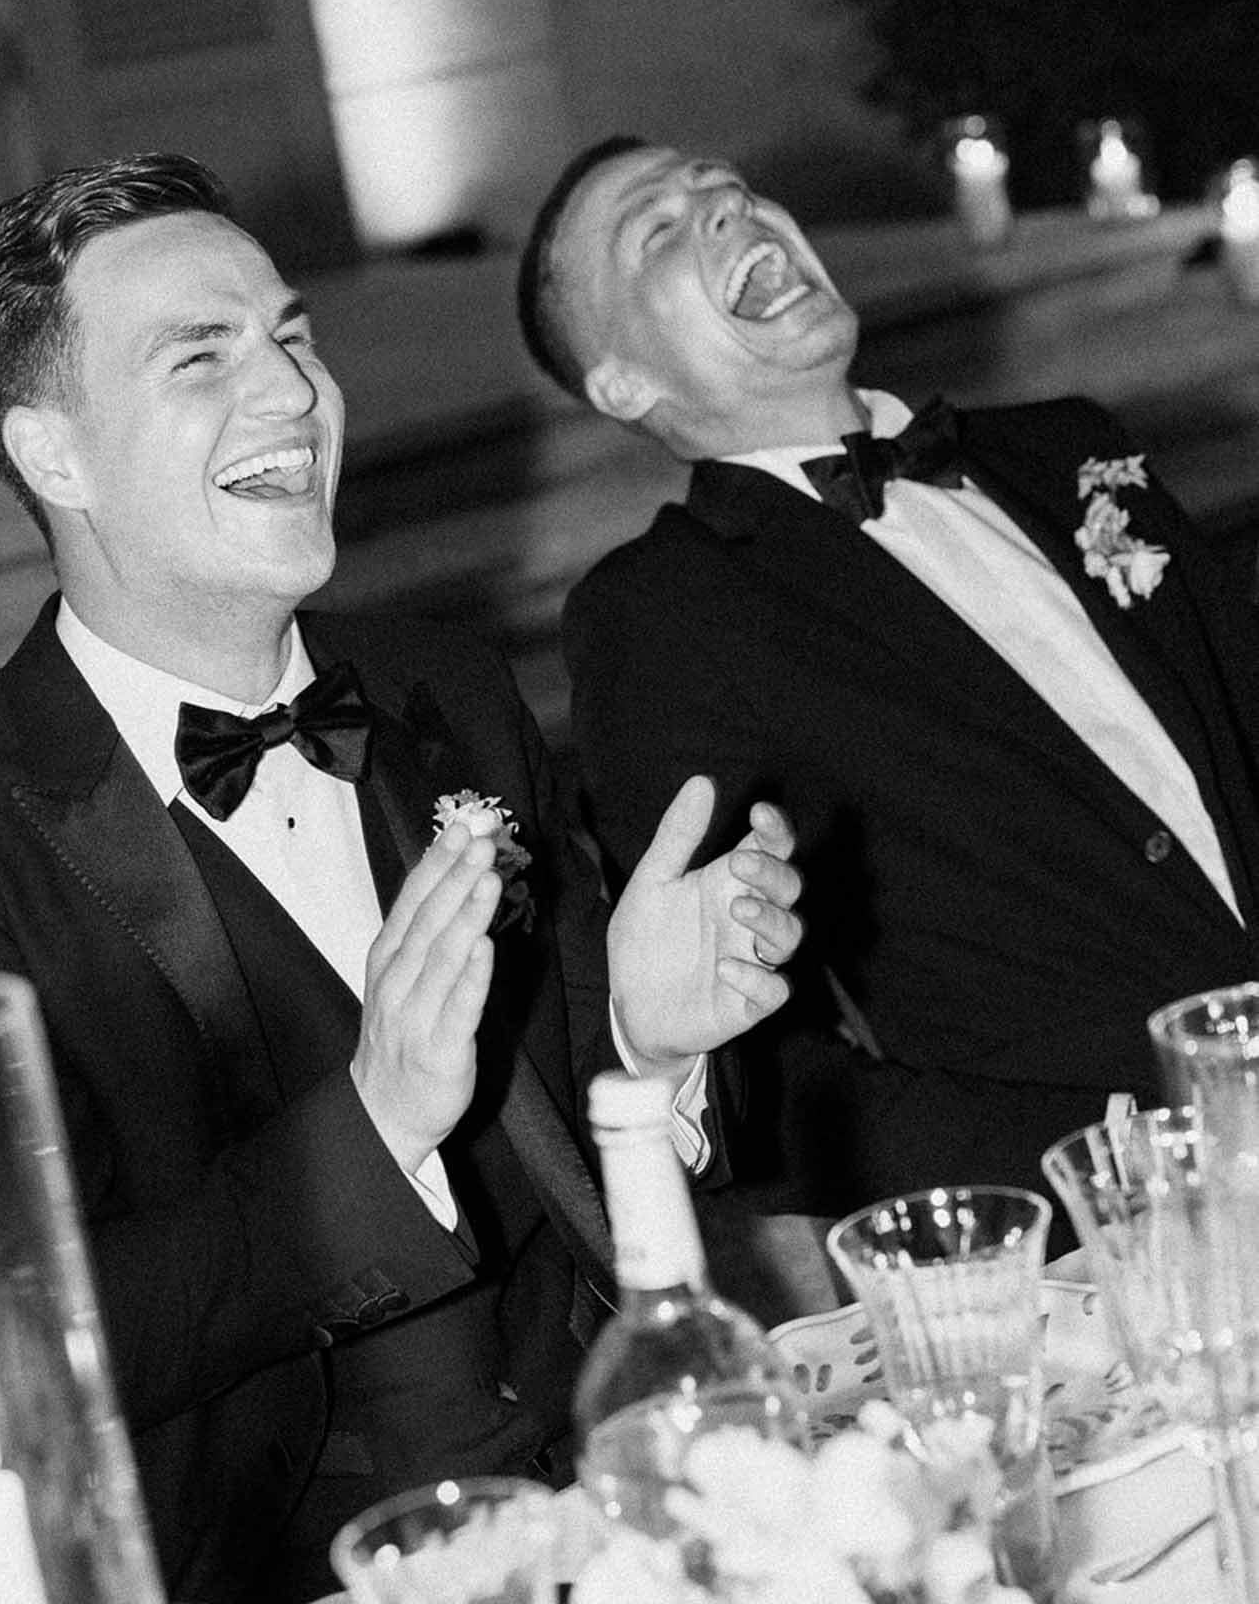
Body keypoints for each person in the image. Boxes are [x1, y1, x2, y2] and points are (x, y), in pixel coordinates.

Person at [0, 153, 803, 1604]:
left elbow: (561, 1124)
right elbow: (19, 1344)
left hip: (623, 1486)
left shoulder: (438, 683)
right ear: (54, 454)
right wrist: (370, 1129)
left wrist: (646, 1033)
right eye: (204, 358)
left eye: (295, 339)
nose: (293, 396)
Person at [516, 135, 1259, 1225]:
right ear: (622, 381)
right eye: (659, 228)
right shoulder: (665, 609)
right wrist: (1122, 1160)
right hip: (1136, 1208)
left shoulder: (1070, 444)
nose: (725, 203)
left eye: (726, 182)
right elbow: (755, 1062)